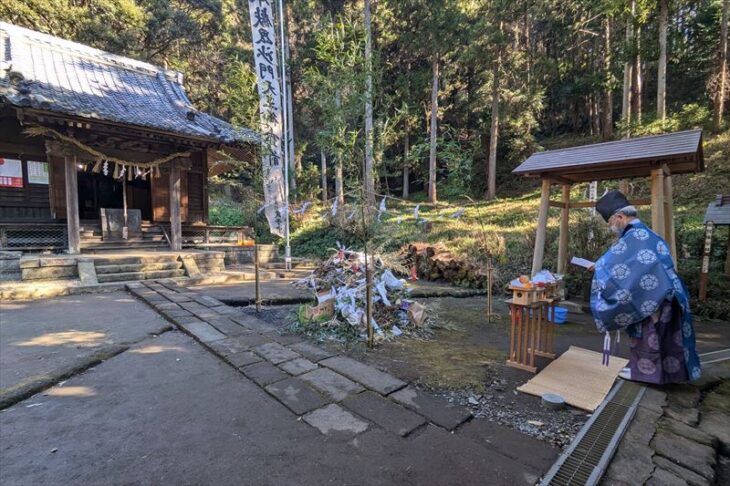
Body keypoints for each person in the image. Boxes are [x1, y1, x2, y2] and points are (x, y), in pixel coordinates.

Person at [588, 190, 700, 384]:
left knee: (649, 334)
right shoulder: (645, 233)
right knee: (666, 336)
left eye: (610, 222)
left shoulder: (634, 236)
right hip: (666, 291)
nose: (610, 227)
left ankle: (643, 373)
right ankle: (667, 375)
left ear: (620, 217)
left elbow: (611, 265)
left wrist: (597, 268)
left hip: (655, 295)